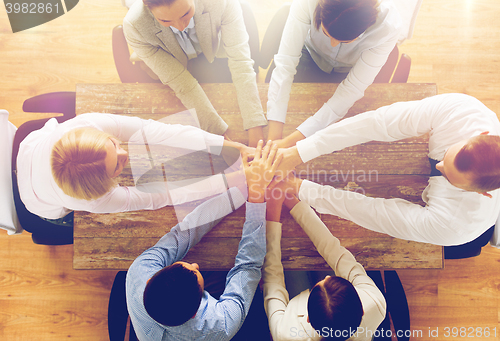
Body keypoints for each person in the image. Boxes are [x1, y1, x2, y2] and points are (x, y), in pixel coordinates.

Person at [273, 93, 500, 247]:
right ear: (480, 134)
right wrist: (299, 152)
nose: (438, 165)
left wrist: (301, 188)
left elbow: (374, 213)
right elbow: (379, 123)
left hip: (459, 230)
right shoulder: (463, 112)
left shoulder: (456, 225)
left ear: (481, 194)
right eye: (446, 155)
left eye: (448, 176)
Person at [126, 140, 282, 340]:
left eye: (188, 267)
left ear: (149, 279)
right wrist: (257, 195)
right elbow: (248, 266)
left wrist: (242, 190)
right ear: (195, 313)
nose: (195, 264)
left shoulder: (139, 271)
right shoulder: (219, 326)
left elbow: (184, 233)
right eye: (197, 273)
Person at [16, 112, 252, 221]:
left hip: (29, 147)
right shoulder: (92, 200)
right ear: (105, 184)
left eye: (112, 144)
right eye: (117, 165)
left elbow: (153, 130)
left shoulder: (86, 124)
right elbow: (165, 195)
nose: (125, 153)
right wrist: (232, 180)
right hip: (36, 199)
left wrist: (226, 145)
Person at [123, 0, 267, 145]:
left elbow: (240, 62)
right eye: (165, 20)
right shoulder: (134, 26)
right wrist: (219, 139)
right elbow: (182, 84)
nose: (180, 27)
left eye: (186, 13)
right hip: (174, 64)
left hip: (213, 55)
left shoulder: (221, 2)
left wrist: (255, 129)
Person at [266, 0, 402, 145]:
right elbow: (285, 64)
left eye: (346, 41)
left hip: (348, 70)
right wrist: (273, 139)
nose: (333, 44)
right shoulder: (307, 3)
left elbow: (352, 89)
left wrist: (290, 143)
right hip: (310, 54)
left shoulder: (388, 27)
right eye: (325, 33)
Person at [262, 183, 386, 340]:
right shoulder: (373, 301)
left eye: (322, 282)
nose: (327, 277)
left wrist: (272, 215)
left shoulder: (285, 334)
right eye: (331, 279)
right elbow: (337, 253)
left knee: (291, 262)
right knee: (323, 260)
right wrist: (294, 203)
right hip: (322, 312)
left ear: (308, 319)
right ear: (362, 309)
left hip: (295, 313)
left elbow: (273, 283)